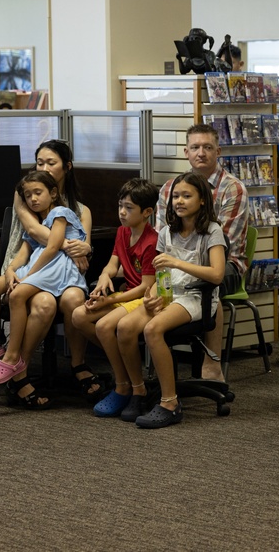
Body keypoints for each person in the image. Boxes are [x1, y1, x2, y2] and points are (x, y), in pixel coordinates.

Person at [0, 139, 101, 400]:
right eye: (40, 162)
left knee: (74, 299)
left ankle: (76, 364)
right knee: (43, 304)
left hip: (60, 272)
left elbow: (86, 248)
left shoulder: (78, 210)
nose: (45, 167)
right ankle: (17, 371)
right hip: (29, 269)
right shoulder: (24, 195)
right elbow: (36, 233)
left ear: (67, 167)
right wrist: (71, 245)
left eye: (52, 163)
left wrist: (86, 249)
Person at [117, 172, 227, 428]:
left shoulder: (212, 231)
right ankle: (138, 391)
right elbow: (160, 275)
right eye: (176, 196)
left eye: (187, 196)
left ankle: (170, 402)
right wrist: (153, 295)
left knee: (152, 329)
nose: (179, 201)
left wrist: (178, 262)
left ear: (202, 201)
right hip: (171, 294)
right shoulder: (167, 232)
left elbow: (217, 274)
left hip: (196, 297)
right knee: (124, 328)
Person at [0, 171, 88, 408]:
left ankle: (11, 357)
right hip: (40, 267)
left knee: (17, 293)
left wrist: (28, 276)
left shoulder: (61, 212)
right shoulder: (39, 224)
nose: (33, 199)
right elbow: (23, 252)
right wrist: (11, 271)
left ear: (54, 193)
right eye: (28, 196)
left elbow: (52, 248)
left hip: (55, 267)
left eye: (38, 193)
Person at [156, 123, 248, 381]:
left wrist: (180, 263)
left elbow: (223, 244)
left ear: (218, 151)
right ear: (186, 152)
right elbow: (162, 234)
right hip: (179, 261)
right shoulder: (169, 189)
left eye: (207, 147)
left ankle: (212, 361)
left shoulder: (233, 188)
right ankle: (160, 360)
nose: (201, 153)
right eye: (195, 147)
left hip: (226, 264)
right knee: (155, 282)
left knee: (208, 284)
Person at [71, 178, 159, 417]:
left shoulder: (152, 240)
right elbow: (112, 264)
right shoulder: (122, 231)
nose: (121, 212)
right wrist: (103, 278)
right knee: (79, 316)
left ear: (147, 212)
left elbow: (145, 288)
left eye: (129, 208)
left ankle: (127, 387)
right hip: (125, 294)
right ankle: (128, 372)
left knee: (104, 325)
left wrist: (108, 300)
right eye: (120, 205)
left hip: (143, 298)